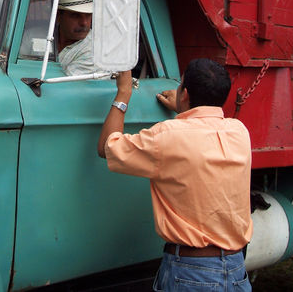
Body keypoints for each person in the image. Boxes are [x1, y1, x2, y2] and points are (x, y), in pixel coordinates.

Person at [98, 58, 253, 291]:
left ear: (185, 94)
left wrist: (123, 93)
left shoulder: (167, 135)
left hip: (191, 271)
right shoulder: (239, 132)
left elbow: (107, 147)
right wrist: (184, 109)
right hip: (235, 268)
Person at [57, 0, 105, 76]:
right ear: (58, 16)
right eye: (76, 15)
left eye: (88, 15)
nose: (84, 23)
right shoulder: (37, 34)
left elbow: (64, 87)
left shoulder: (95, 51)